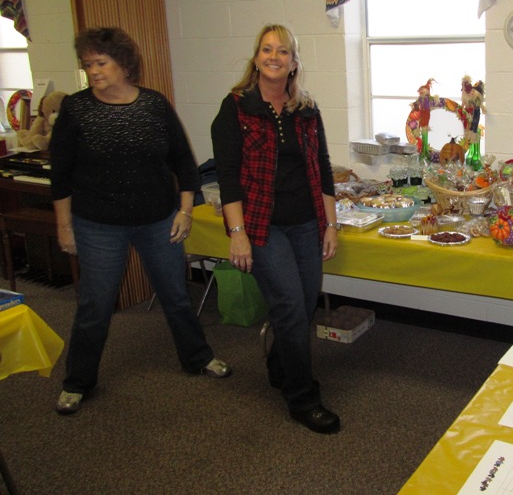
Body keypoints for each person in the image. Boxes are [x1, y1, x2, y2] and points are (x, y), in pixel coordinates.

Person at [50, 27, 231, 416]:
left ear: (123, 63)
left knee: (176, 294)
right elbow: (60, 174)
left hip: (157, 220)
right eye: (87, 64)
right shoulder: (76, 109)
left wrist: (185, 210)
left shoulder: (153, 104)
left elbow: (183, 162)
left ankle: (197, 357)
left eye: (101, 63)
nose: (93, 71)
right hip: (97, 225)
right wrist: (64, 226)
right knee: (95, 304)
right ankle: (77, 381)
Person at [211, 24, 340, 434]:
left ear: (293, 62)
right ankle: (303, 399)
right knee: (289, 306)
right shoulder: (236, 108)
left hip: (306, 223)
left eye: (283, 51)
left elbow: (322, 168)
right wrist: (237, 233)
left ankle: (279, 366)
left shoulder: (307, 109)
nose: (274, 56)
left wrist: (331, 224)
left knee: (304, 304)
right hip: (262, 227)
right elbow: (228, 177)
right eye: (267, 49)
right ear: (256, 58)